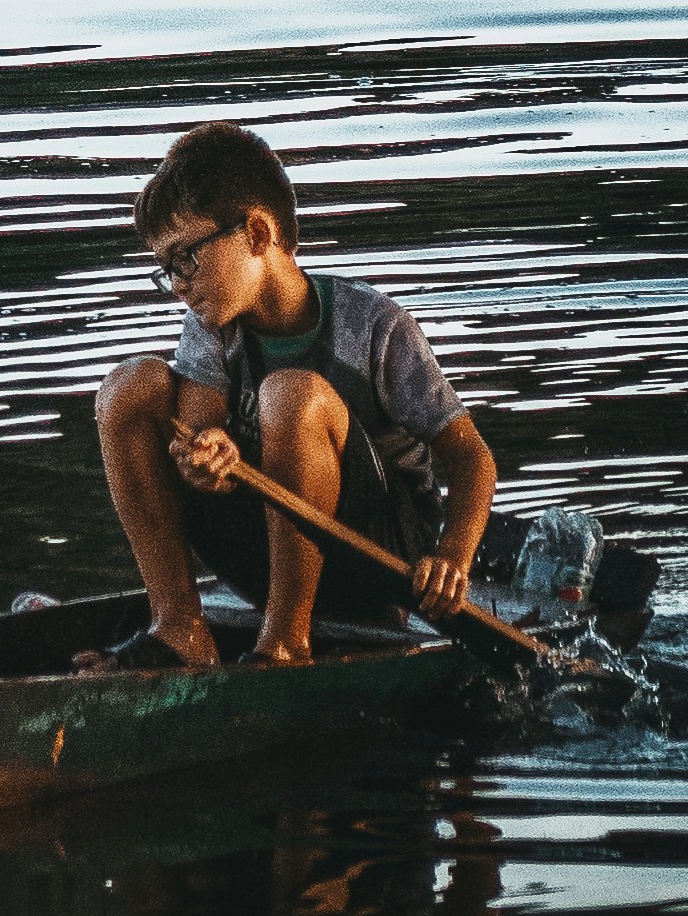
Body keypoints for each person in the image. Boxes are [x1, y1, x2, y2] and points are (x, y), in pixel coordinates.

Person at [95, 121, 493, 668]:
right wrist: (209, 460)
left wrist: (453, 559)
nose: (179, 284)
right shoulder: (211, 325)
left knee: (291, 396)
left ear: (258, 234)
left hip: (378, 559)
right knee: (129, 387)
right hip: (266, 543)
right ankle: (179, 626)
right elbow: (201, 432)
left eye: (187, 258)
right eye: (167, 270)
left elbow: (472, 458)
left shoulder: (376, 326)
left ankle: (284, 642)